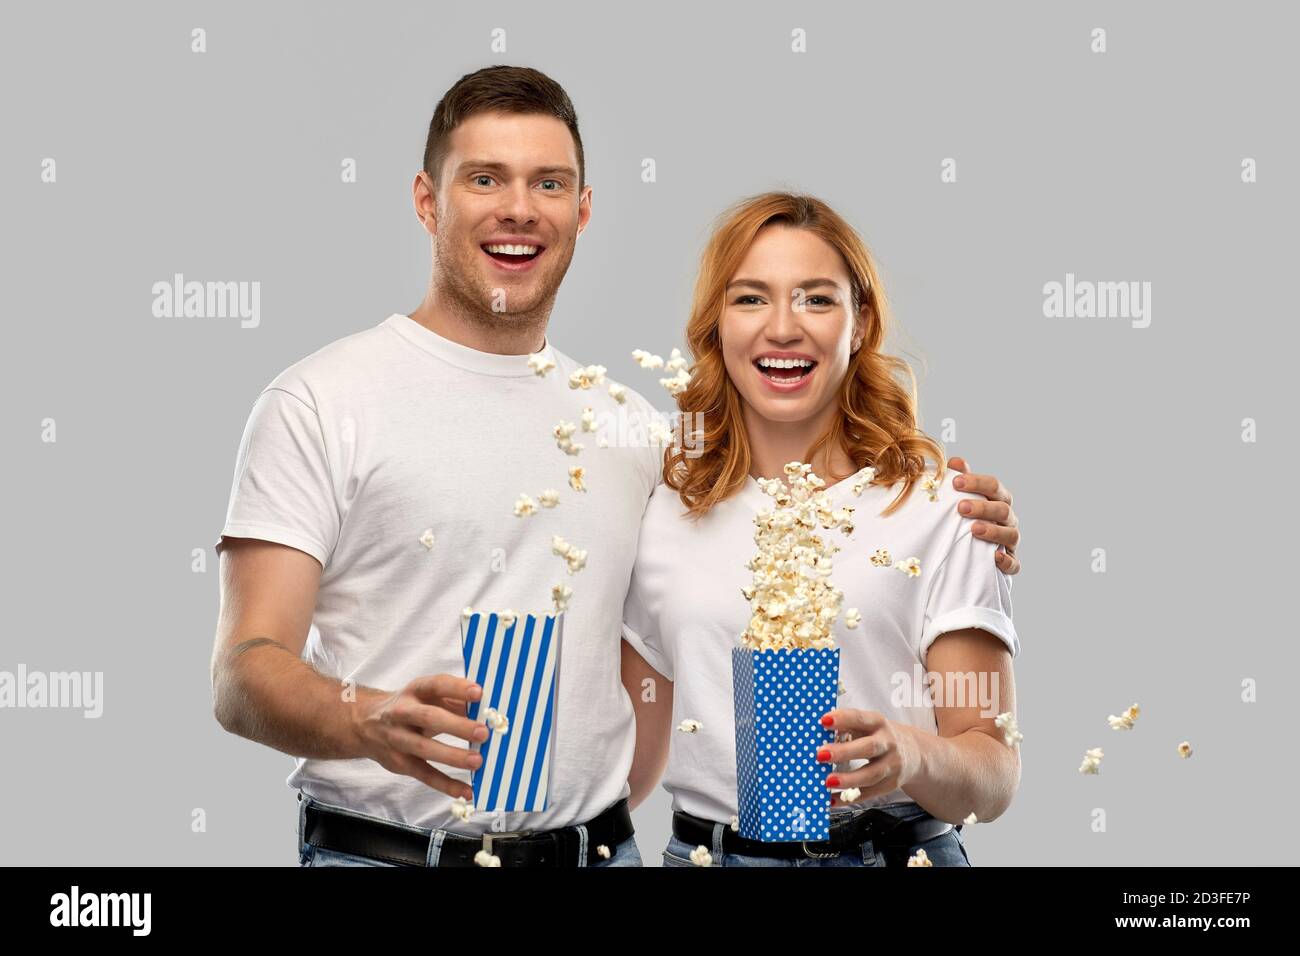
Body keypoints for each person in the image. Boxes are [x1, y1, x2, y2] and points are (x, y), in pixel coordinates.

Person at [210, 65, 1021, 868]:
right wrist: (366, 720)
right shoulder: (322, 400)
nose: (519, 209)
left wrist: (965, 532)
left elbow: (982, 751)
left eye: (549, 182)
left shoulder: (636, 437)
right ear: (427, 200)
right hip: (386, 854)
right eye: (486, 178)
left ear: (582, 208)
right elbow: (243, 673)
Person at [620, 192, 1021, 867]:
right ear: (717, 323)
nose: (783, 328)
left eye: (816, 299)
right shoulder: (666, 512)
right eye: (750, 299)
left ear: (860, 322)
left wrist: (911, 754)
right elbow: (628, 766)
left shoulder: (939, 510)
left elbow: (994, 775)